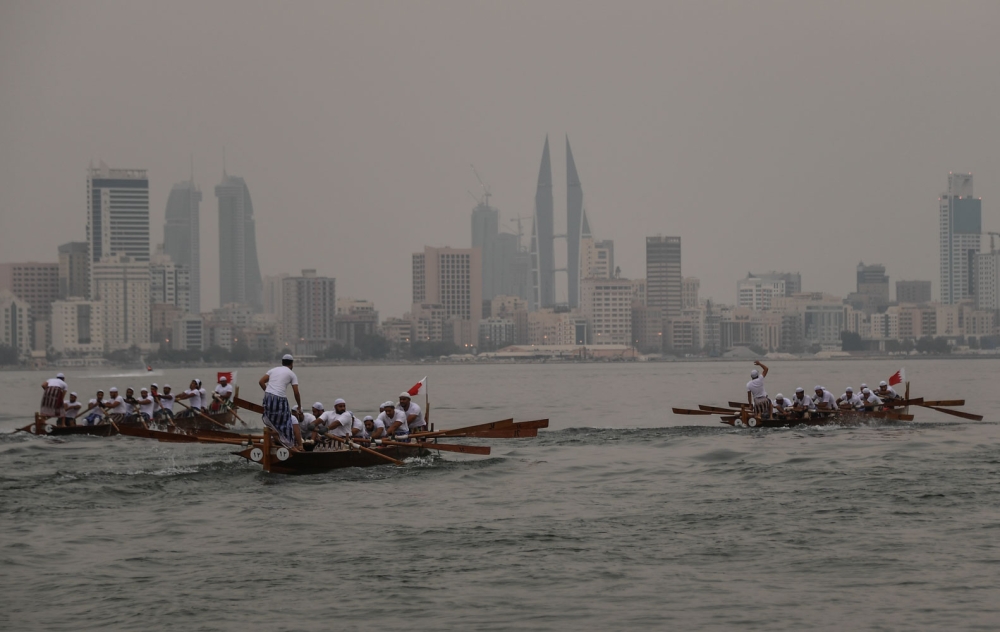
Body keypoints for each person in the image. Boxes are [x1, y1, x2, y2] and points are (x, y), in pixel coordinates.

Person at [258, 354, 303, 449]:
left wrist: (269, 394)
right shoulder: (292, 374)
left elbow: (261, 382)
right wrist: (299, 405)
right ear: (292, 363)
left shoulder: (273, 370)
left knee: (271, 419)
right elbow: (296, 392)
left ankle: (276, 440)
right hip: (280, 398)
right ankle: (290, 445)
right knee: (287, 421)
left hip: (267, 396)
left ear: (282, 362)